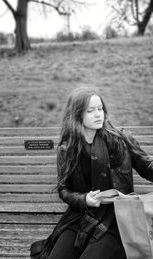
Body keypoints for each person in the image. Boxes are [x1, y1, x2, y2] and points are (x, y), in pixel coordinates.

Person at [30, 86, 153, 259]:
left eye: (100, 108)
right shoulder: (68, 149)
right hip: (81, 216)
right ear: (77, 115)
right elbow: (64, 190)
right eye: (91, 110)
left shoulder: (120, 139)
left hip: (117, 217)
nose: (98, 114)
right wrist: (84, 199)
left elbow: (148, 167)